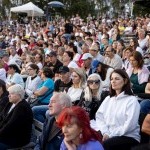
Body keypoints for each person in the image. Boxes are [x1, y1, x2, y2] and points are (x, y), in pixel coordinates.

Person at [96, 69, 140, 150]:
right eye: (112, 79)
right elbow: (100, 117)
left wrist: (110, 134)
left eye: (117, 79)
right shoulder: (108, 99)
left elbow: (130, 125)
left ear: (125, 81)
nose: (113, 81)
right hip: (109, 133)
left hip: (128, 136)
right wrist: (105, 132)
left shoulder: (132, 100)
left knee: (106, 144)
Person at [0, 84, 33, 149]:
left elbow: (10, 125)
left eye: (11, 94)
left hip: (16, 139)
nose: (8, 95)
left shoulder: (22, 107)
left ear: (19, 95)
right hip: (7, 135)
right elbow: (1, 116)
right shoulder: (11, 103)